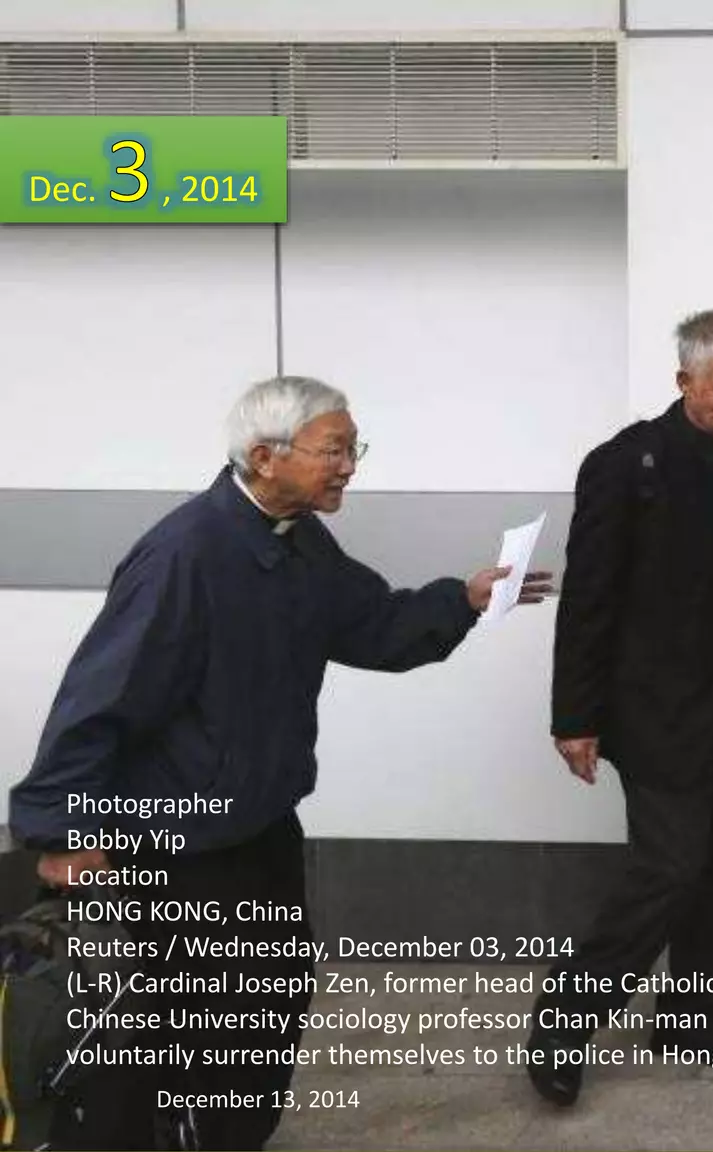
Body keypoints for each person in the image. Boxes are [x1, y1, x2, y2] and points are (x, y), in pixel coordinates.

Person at [7, 374, 550, 1149]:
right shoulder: (184, 555)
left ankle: (227, 1138)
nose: (350, 464)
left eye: (352, 447)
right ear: (266, 456)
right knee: (172, 1023)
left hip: (258, 824)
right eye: (335, 449)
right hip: (181, 841)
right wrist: (61, 829)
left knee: (271, 994)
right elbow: (100, 696)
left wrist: (460, 601)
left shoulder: (294, 539)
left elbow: (370, 624)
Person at [530, 308, 713, 1106]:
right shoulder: (626, 465)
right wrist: (574, 717)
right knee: (670, 868)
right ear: (685, 381)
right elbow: (587, 601)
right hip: (655, 708)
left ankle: (693, 1016)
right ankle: (562, 1022)